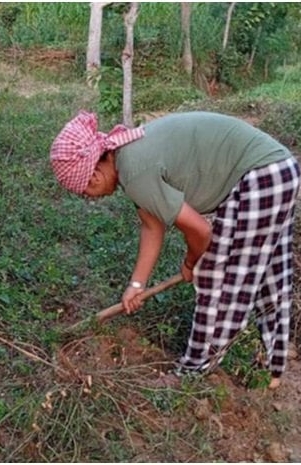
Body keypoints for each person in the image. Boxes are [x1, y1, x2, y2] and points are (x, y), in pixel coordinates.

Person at [50, 110, 300, 388]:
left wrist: (193, 262)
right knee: (267, 271)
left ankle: (193, 372)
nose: (89, 198)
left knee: (218, 277)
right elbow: (152, 226)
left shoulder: (135, 171)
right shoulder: (128, 158)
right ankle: (273, 365)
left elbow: (201, 231)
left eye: (85, 192)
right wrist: (136, 284)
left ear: (94, 175)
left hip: (262, 175)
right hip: (276, 170)